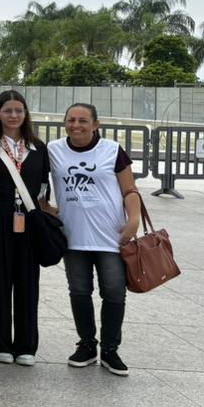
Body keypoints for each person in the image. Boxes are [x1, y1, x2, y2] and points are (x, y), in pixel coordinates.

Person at [49, 103, 140, 376]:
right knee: (79, 291)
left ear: (96, 124)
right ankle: (87, 344)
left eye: (83, 121)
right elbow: (36, 184)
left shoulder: (112, 150)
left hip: (111, 237)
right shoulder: (53, 150)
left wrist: (133, 220)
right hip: (73, 237)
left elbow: (130, 190)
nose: (76, 125)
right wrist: (49, 211)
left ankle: (110, 349)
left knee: (113, 291)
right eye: (71, 120)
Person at [0, 89, 51, 366]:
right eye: (7, 110)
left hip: (29, 222)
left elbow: (43, 188)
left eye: (19, 110)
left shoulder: (38, 148)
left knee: (28, 282)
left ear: (25, 113)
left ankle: (26, 345)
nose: (13, 115)